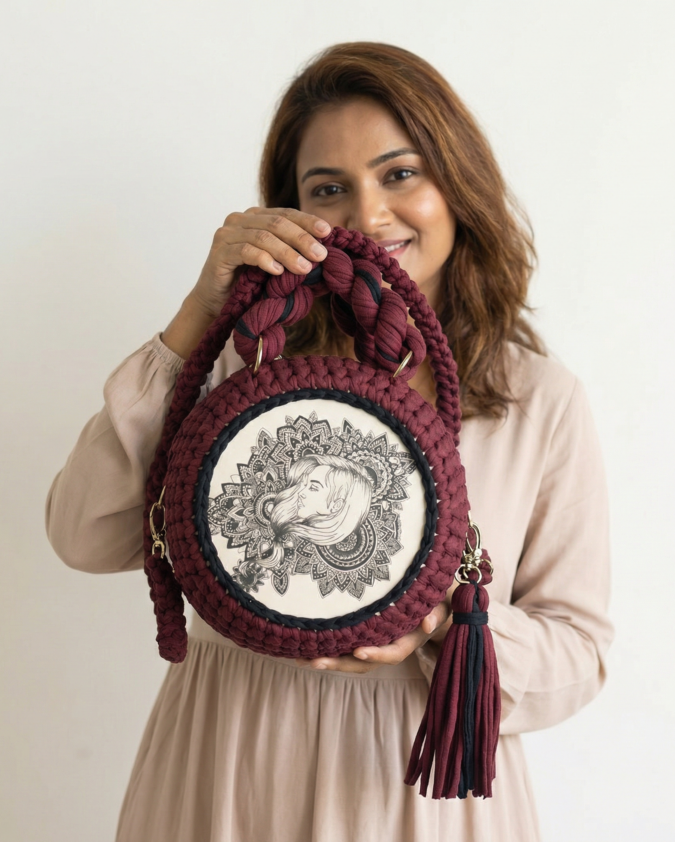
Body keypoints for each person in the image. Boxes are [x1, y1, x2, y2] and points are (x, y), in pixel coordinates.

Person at [45, 41, 614, 842]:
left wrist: (441, 627)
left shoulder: (534, 397)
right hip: (227, 765)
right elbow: (84, 535)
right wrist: (199, 313)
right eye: (328, 188)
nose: (368, 217)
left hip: (419, 790)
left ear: (459, 186)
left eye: (399, 173)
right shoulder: (239, 372)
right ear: (292, 212)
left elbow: (577, 652)